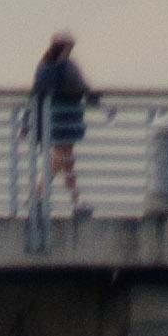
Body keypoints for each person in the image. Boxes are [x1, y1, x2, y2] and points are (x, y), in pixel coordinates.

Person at [28, 32, 98, 215]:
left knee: (66, 161)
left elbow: (37, 93)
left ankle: (75, 200)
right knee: (62, 159)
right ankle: (39, 197)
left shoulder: (44, 66)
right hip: (64, 118)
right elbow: (81, 87)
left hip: (55, 117)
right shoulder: (64, 67)